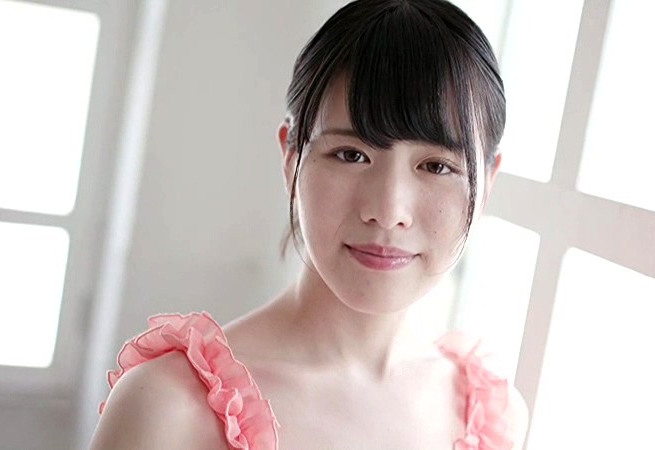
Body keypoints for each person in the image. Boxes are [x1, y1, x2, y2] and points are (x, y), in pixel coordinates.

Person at [89, 0, 528, 448]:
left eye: (436, 166)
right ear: (290, 158)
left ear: (487, 183)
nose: (388, 210)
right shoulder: (168, 408)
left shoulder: (494, 417)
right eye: (351, 155)